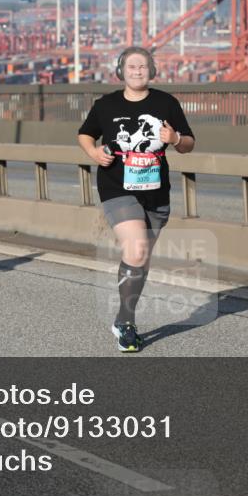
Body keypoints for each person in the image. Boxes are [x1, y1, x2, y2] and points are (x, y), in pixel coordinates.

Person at [77, 46, 195, 352]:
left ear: (152, 70)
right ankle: (127, 325)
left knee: (139, 258)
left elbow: (189, 142)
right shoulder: (106, 105)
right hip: (117, 186)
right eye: (132, 67)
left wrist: (176, 139)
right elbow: (85, 134)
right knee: (137, 248)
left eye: (143, 66)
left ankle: (120, 319)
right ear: (121, 71)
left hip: (156, 192)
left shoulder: (166, 103)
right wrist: (93, 153)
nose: (138, 71)